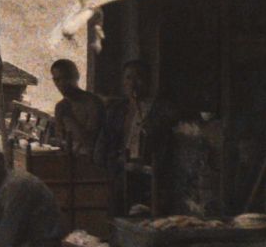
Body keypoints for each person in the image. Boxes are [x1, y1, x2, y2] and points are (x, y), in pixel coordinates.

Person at [99, 59, 179, 215]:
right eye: (128, 78)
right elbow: (104, 143)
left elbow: (166, 145)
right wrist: (114, 161)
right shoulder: (117, 110)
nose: (133, 83)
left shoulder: (161, 110)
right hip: (120, 173)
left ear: (149, 81)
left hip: (151, 177)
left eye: (139, 77)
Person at [49, 58, 105, 160]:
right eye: (57, 80)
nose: (62, 84)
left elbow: (90, 142)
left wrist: (69, 118)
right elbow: (59, 140)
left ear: (76, 76)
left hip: (90, 162)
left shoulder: (93, 103)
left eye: (66, 78)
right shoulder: (61, 106)